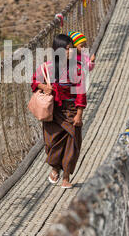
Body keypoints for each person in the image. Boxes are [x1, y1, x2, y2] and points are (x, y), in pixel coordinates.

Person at [31, 34, 87, 189]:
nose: (70, 52)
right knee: (52, 142)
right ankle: (55, 167)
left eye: (72, 49)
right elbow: (35, 82)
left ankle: (66, 177)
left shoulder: (77, 68)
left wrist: (79, 114)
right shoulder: (47, 67)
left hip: (70, 110)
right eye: (67, 49)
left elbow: (81, 92)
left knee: (72, 143)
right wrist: (44, 87)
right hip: (52, 111)